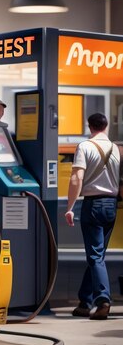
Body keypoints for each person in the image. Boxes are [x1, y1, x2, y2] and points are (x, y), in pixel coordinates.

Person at [65, 112, 120, 320]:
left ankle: (103, 300)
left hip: (93, 205)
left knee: (95, 256)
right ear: (106, 127)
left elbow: (77, 177)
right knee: (98, 256)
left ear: (90, 127)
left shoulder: (85, 146)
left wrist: (70, 206)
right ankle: (84, 302)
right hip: (111, 205)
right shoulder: (115, 148)